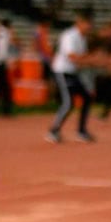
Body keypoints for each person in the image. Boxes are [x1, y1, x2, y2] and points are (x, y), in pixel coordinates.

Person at [46, 8, 102, 143]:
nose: (90, 26)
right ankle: (53, 130)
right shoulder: (69, 36)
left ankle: (81, 131)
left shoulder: (82, 38)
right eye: (88, 23)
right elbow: (72, 57)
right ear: (80, 22)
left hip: (72, 72)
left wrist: (95, 62)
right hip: (62, 72)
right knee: (68, 102)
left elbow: (80, 61)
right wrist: (92, 59)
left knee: (87, 97)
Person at [0, 18, 18, 117]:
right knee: (3, 87)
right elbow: (4, 49)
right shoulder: (5, 33)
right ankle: (4, 110)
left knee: (0, 86)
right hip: (0, 62)